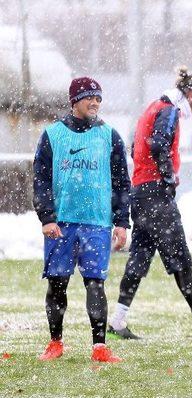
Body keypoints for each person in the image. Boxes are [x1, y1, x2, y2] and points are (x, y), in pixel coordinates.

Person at [107, 67, 192, 339]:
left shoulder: (153, 107)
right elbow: (157, 144)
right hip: (155, 196)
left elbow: (136, 147)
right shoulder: (169, 110)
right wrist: (168, 178)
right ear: (190, 94)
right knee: (179, 256)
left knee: (139, 257)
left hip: (140, 192)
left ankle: (117, 320)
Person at [33, 77, 129, 363]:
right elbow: (41, 181)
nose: (96, 103)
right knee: (57, 284)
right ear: (75, 101)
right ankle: (55, 342)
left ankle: (99, 347)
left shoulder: (110, 136)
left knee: (95, 283)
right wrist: (47, 218)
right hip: (61, 224)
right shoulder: (53, 135)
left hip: (97, 224)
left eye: (99, 98)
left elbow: (122, 183)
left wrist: (122, 222)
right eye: (90, 97)